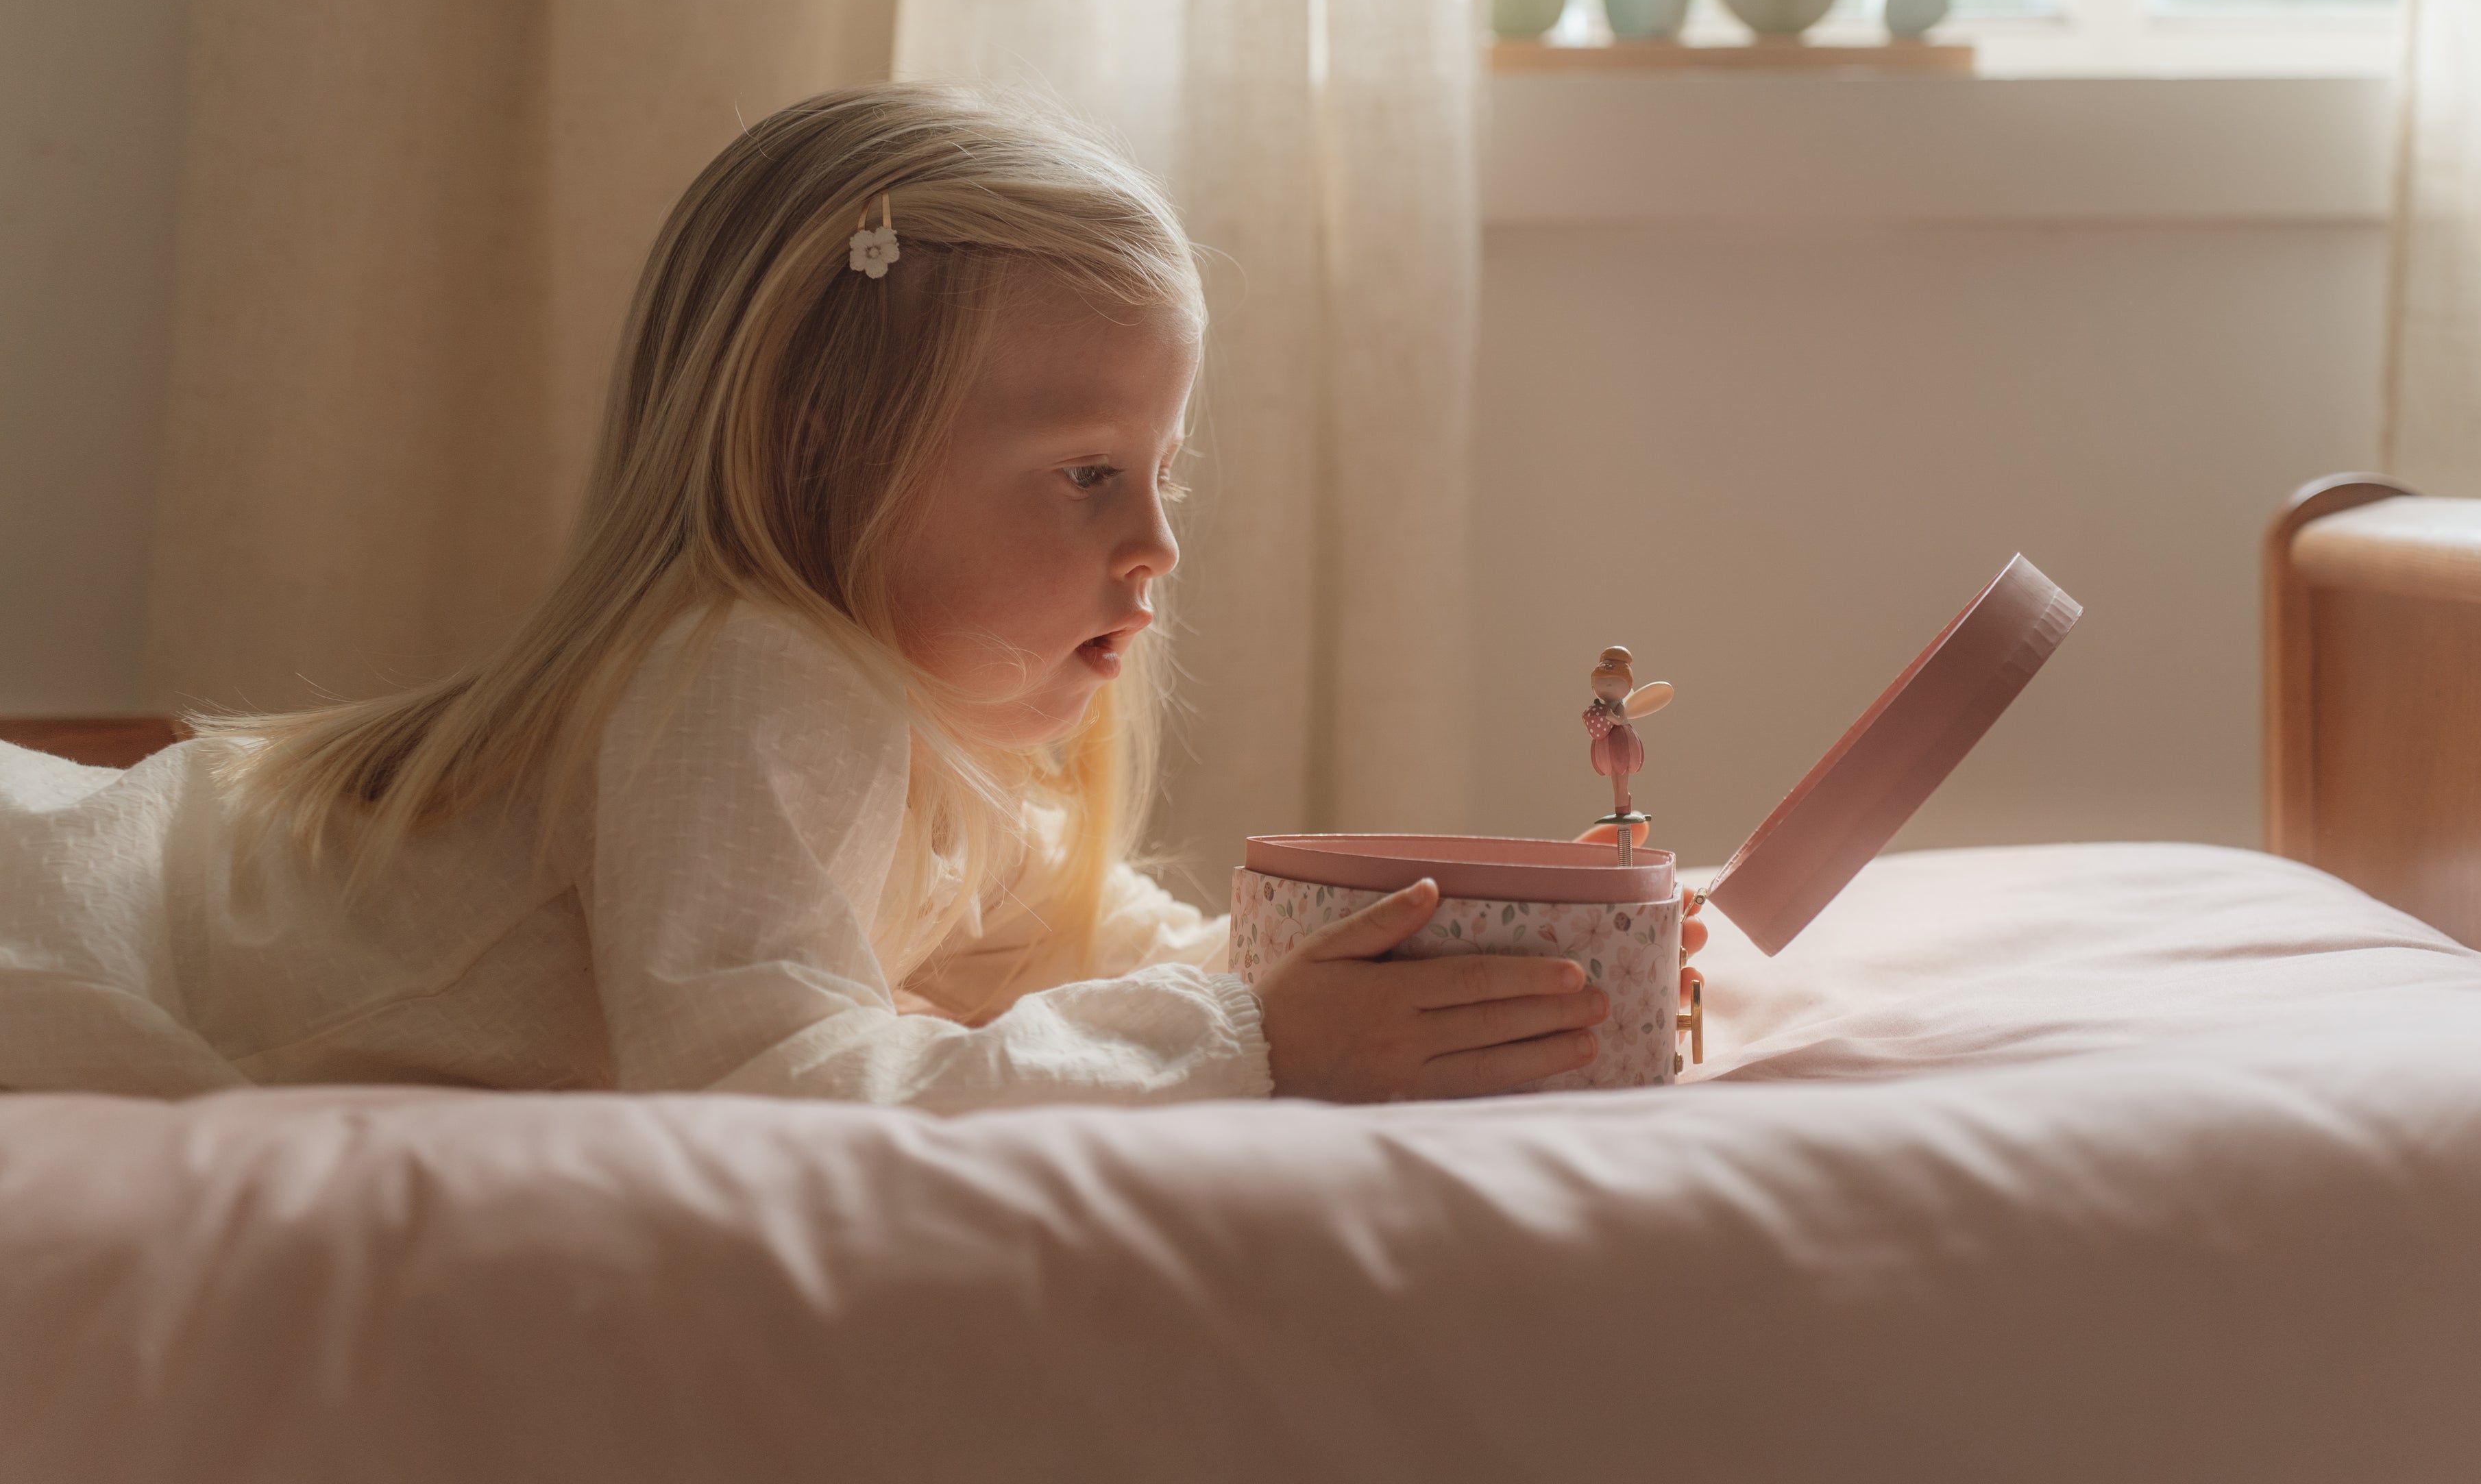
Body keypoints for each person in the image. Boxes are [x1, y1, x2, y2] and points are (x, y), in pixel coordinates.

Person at [0, 84, 1701, 1112]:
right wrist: (1242, 1038)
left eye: (1162, 474)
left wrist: (1469, 953)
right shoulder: (749, 683)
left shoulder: (917, 710)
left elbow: (1071, 948)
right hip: (74, 934)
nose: (1157, 546)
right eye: (1087, 472)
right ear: (827, 447)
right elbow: (760, 1080)